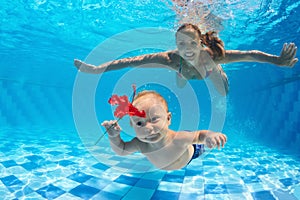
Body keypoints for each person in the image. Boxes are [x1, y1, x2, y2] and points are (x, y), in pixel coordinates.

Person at [74, 23, 298, 96]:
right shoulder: (170, 58)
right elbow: (131, 61)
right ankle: (184, 76)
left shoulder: (213, 55)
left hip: (208, 70)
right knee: (180, 83)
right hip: (183, 71)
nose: (187, 49)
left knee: (223, 91)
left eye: (192, 44)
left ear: (201, 43)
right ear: (175, 45)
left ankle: (220, 72)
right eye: (181, 44)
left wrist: (277, 60)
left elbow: (251, 54)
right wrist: (97, 69)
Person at [101, 90, 227, 170]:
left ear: (168, 119)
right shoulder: (140, 144)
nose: (148, 129)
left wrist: (210, 135)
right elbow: (122, 150)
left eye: (154, 119)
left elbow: (200, 135)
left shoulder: (178, 139)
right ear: (132, 125)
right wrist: (114, 137)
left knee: (195, 140)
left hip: (192, 153)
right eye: (139, 123)